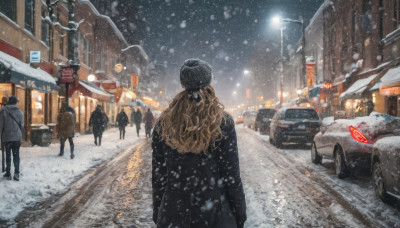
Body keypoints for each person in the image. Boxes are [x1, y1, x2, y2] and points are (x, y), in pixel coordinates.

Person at [152, 59, 247, 227]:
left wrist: (159, 211)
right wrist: (239, 212)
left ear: (183, 83)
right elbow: (231, 175)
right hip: (213, 212)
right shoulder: (222, 122)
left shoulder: (164, 123)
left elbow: (159, 176)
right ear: (208, 83)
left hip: (174, 212)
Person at [0, 96, 24, 181]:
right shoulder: (19, 111)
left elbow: (1, 125)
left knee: (8, 155)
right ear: (16, 102)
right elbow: (22, 125)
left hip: (7, 137)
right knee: (16, 155)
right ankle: (16, 173)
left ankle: (8, 173)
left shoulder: (3, 111)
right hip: (17, 137)